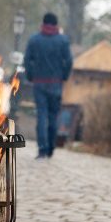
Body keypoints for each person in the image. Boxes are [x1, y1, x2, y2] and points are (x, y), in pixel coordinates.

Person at [24, 12, 73, 159]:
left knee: (41, 116)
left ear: (43, 23)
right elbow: (69, 61)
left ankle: (42, 149)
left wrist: (31, 76)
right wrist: (63, 76)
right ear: (56, 24)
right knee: (53, 117)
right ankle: (51, 147)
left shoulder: (34, 40)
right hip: (56, 83)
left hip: (39, 83)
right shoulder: (63, 41)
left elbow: (27, 60)